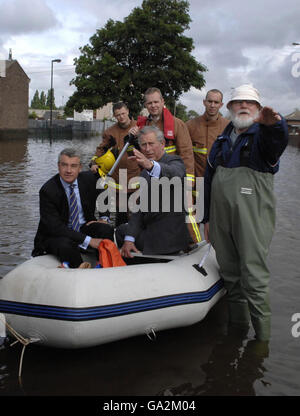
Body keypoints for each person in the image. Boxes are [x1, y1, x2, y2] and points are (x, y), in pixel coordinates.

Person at [203, 84, 288, 341]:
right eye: (238, 102)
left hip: (253, 220)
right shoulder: (220, 142)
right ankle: (237, 331)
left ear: (259, 109)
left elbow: (278, 140)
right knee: (230, 274)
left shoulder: (263, 138)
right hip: (221, 220)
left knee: (254, 276)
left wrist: (276, 125)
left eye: (249, 103)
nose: (243, 106)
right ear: (229, 108)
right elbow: (208, 181)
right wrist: (206, 218)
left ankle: (262, 343)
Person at [32, 148, 114, 268]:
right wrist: (89, 240)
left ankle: (103, 264)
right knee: (65, 243)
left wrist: (104, 218)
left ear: (80, 168)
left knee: (105, 229)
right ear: (58, 166)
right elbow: (56, 228)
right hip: (56, 235)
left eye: (73, 166)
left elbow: (104, 191)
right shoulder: (48, 191)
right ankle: (79, 268)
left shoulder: (89, 179)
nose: (68, 170)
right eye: (64, 165)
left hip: (83, 227)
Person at [116, 126, 190, 258]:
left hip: (168, 237)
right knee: (124, 231)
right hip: (152, 230)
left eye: (151, 144)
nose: (147, 149)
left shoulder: (175, 161)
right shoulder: (145, 172)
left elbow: (175, 173)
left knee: (121, 231)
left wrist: (151, 166)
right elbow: (140, 209)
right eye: (143, 145)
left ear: (162, 144)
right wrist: (130, 238)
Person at [136, 87, 199, 242]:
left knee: (187, 214)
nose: (153, 105)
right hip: (152, 178)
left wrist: (188, 185)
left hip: (175, 177)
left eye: (156, 101)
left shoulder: (177, 124)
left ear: (163, 102)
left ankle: (195, 245)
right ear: (146, 105)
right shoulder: (142, 126)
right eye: (149, 103)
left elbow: (187, 155)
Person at [93, 102, 141, 226]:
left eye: (123, 113)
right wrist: (93, 162)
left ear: (128, 111)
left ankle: (136, 238)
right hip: (118, 177)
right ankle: (120, 237)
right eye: (118, 115)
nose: (121, 117)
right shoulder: (110, 132)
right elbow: (101, 149)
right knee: (121, 212)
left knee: (137, 211)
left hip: (137, 175)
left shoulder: (139, 127)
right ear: (114, 116)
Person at [186, 89, 229, 178]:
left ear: (221, 105)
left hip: (219, 180)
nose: (212, 105)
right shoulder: (190, 125)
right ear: (204, 102)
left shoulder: (228, 127)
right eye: (210, 101)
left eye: (216, 102)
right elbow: (185, 154)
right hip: (198, 179)